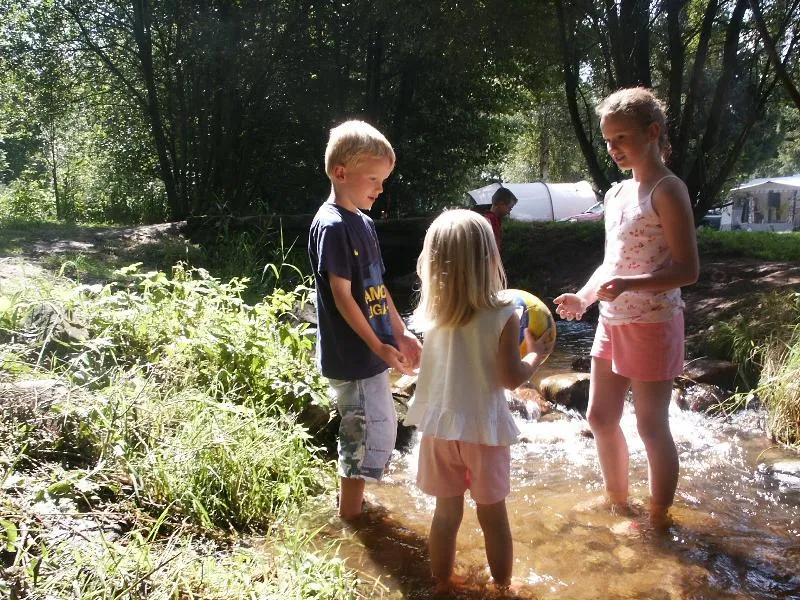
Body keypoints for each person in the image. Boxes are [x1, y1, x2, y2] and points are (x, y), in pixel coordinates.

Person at [553, 87, 699, 530]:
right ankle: (617, 502)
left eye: (621, 138)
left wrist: (630, 285)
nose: (613, 148)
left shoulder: (668, 189)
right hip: (612, 322)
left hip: (653, 324)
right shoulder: (617, 194)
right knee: (599, 417)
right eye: (608, 140)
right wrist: (585, 296)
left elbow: (688, 269)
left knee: (651, 427)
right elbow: (611, 263)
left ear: (652, 133)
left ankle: (658, 518)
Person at [404, 209, 548, 592]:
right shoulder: (504, 313)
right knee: (493, 516)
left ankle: (442, 583)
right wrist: (538, 355)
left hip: (438, 431)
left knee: (445, 514)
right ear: (489, 258)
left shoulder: (431, 316)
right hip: (483, 430)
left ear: (432, 264)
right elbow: (511, 377)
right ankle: (502, 587)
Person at [308, 120, 422, 521]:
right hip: (353, 355)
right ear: (341, 172)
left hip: (373, 351)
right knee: (360, 431)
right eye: (373, 178)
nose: (379, 188)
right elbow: (342, 296)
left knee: (381, 424)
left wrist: (401, 331)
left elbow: (378, 287)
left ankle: (355, 504)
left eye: (383, 179)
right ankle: (351, 517)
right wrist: (377, 345)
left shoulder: (365, 223)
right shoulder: (333, 226)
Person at [483, 186, 517, 252]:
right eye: (509, 208)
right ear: (501, 204)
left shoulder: (492, 218)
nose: (509, 212)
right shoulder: (491, 220)